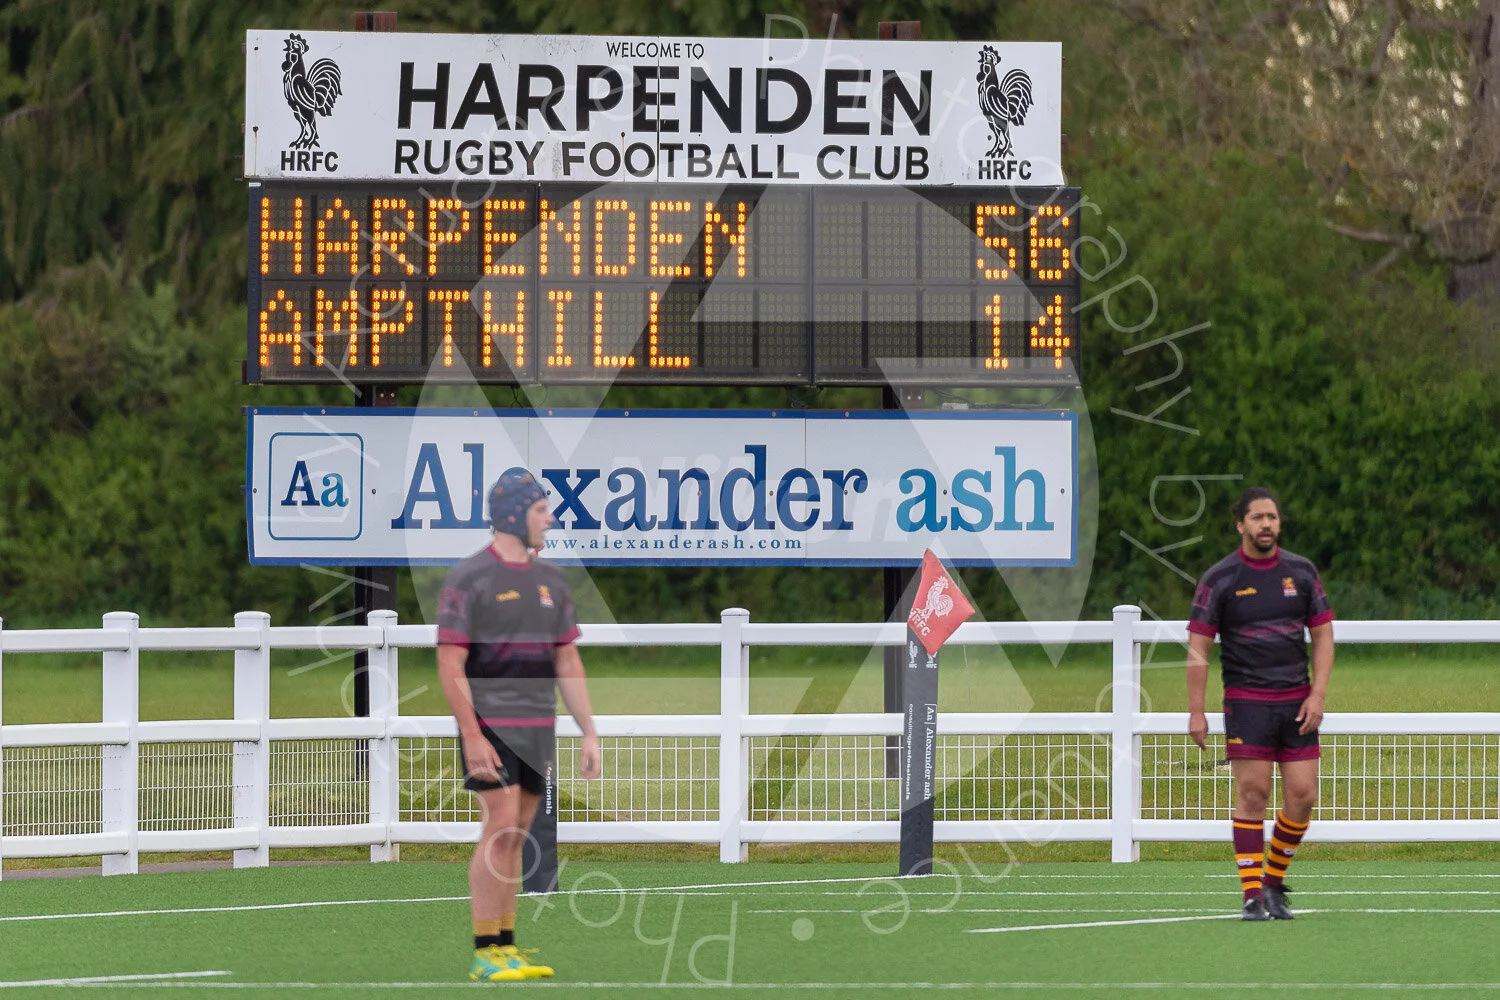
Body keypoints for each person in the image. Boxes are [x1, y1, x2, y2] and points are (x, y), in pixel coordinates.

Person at [437, 471, 602, 981]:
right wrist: (471, 735)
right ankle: (484, 952)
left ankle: (505, 946)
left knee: (518, 835)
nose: (550, 519)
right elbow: (449, 662)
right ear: (512, 515)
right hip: (491, 725)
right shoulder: (470, 577)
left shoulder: (552, 580)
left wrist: (589, 730)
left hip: (538, 727)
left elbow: (568, 661)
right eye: (540, 510)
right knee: (501, 826)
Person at [1186, 487, 1334, 922]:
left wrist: (1318, 694)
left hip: (1297, 704)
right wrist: (1196, 711)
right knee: (1253, 795)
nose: (1266, 524)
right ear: (1240, 525)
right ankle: (1252, 896)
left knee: (1303, 797)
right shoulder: (1220, 578)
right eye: (1257, 517)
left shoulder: (1301, 572)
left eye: (1272, 517)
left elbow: (1323, 635)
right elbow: (1198, 648)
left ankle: (1272, 883)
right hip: (1247, 702)